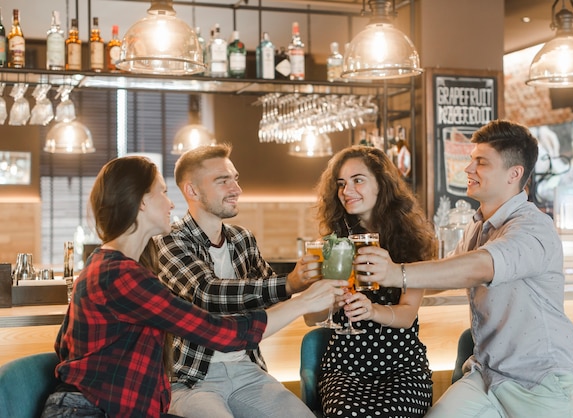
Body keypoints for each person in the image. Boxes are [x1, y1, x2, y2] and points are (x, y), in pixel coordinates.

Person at [40, 156, 344, 418]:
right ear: (142, 202)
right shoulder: (118, 273)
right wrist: (301, 300)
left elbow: (64, 346)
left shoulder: (112, 264)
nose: (171, 202)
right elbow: (218, 332)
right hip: (89, 410)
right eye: (162, 192)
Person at [354, 120, 573, 418]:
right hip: (487, 375)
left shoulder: (533, 228)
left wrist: (396, 272)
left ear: (513, 174)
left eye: (481, 162)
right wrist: (383, 278)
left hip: (540, 381)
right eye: (471, 159)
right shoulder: (479, 225)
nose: (468, 169)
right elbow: (447, 272)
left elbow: (481, 266)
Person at [153, 144, 331, 418]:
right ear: (192, 191)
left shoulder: (241, 238)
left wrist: (308, 280)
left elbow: (271, 292)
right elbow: (207, 294)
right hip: (190, 379)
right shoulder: (169, 240)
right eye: (223, 180)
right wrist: (290, 284)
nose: (236, 189)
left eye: (235, 178)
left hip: (246, 370)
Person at [303, 145, 437, 418]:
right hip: (344, 368)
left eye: (358, 180)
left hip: (402, 367)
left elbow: (407, 315)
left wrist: (372, 310)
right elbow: (310, 318)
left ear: (382, 184)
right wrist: (332, 303)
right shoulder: (332, 244)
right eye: (341, 183)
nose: (346, 190)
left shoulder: (412, 243)